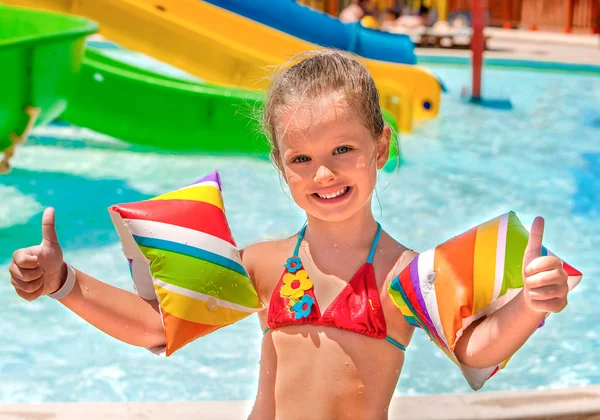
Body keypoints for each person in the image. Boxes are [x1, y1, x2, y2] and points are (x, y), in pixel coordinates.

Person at [9, 50, 571, 419]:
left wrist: (529, 303)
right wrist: (64, 282)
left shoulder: (407, 274)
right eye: (301, 158)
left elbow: (473, 347)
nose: (323, 173)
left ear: (381, 147)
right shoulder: (266, 265)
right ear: (280, 167)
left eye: (342, 150)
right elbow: (159, 329)